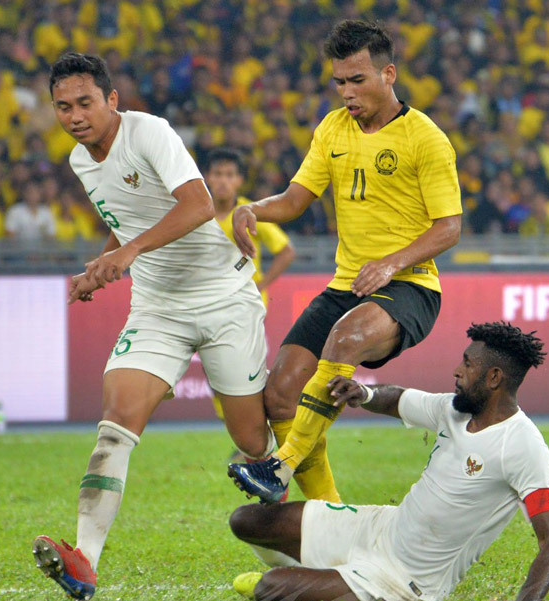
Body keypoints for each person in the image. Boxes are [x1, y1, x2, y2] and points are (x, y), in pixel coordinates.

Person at [32, 53, 277, 601]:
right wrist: (102, 266)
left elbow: (198, 204)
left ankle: (294, 556)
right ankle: (84, 561)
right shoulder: (80, 160)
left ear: (112, 100)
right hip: (157, 306)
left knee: (252, 444)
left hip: (223, 297)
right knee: (116, 420)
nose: (74, 116)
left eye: (85, 103)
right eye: (63, 107)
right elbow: (129, 226)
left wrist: (130, 251)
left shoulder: (149, 132)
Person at [228, 20, 462, 505]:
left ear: (388, 74)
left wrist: (392, 263)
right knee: (280, 394)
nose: (346, 92)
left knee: (347, 338)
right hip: (348, 286)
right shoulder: (332, 127)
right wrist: (253, 208)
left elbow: (449, 228)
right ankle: (328, 511)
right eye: (339, 82)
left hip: (411, 287)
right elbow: (296, 199)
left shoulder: (426, 138)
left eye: (357, 80)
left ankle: (282, 465)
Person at [229, 322, 549, 601]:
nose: (457, 371)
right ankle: (325, 577)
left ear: (493, 378)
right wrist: (365, 394)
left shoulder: (522, 445)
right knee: (245, 521)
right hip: (379, 529)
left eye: (468, 364)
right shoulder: (454, 410)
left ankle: (313, 581)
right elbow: (401, 399)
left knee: (271, 588)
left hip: (404, 580)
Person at [203, 146, 296, 452]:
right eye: (217, 174)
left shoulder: (250, 211)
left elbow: (286, 250)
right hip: (208, 301)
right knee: (215, 371)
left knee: (246, 370)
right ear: (207, 177)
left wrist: (263, 284)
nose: (222, 181)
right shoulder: (196, 213)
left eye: (229, 175)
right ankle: (239, 433)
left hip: (245, 303)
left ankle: (255, 438)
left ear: (239, 180)